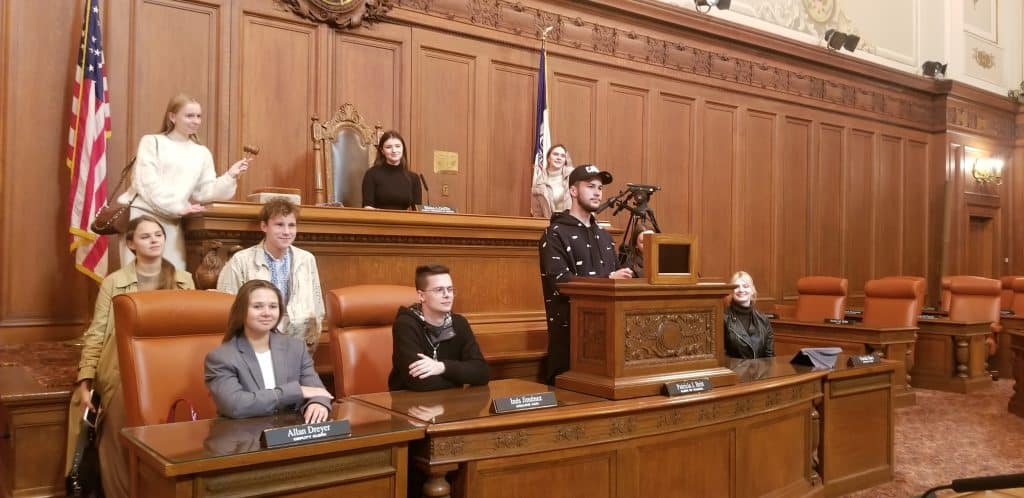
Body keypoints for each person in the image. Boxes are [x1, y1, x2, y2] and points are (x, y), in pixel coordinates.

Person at [66, 215, 195, 498]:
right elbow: (97, 332)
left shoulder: (184, 280)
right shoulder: (114, 282)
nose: (153, 240)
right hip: (123, 371)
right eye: (146, 236)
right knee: (118, 445)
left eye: (158, 235)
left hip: (168, 373)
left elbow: (190, 333)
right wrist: (85, 378)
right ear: (131, 244)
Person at [119, 93, 251, 269]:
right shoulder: (152, 142)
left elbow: (205, 192)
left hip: (173, 222)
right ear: (172, 116)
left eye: (198, 116)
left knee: (172, 278)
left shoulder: (201, 152)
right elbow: (145, 183)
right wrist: (178, 206)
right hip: (142, 217)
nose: (196, 121)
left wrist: (230, 176)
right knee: (137, 277)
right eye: (189, 115)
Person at [538, 164, 634, 384]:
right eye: (590, 186)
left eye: (600, 188)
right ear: (573, 191)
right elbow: (560, 282)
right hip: (571, 345)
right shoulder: (555, 234)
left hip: (608, 344)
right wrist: (608, 280)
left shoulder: (605, 237)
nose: (597, 192)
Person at [204, 280, 332, 423]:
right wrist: (294, 392)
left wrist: (318, 403)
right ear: (241, 311)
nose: (267, 313)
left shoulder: (296, 348)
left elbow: (317, 390)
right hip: (245, 438)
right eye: (257, 306)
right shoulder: (221, 357)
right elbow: (235, 405)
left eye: (273, 306)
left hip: (291, 434)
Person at [216, 198, 325, 354]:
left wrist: (312, 340)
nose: (287, 232)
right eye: (279, 225)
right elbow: (226, 308)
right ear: (264, 226)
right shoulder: (241, 260)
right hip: (254, 346)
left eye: (292, 225)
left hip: (299, 345)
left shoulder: (306, 259)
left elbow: (317, 305)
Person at [388, 264, 490, 391]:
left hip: (452, 404)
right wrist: (460, 377)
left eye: (450, 289)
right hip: (410, 405)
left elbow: (482, 372)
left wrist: (442, 367)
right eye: (439, 290)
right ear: (421, 296)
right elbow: (418, 381)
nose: (447, 295)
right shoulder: (406, 325)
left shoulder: (459, 323)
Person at [361, 130, 422, 210]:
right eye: (388, 147)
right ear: (382, 151)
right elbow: (367, 207)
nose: (394, 150)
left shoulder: (414, 178)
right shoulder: (371, 174)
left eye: (398, 146)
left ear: (403, 148)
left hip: (404, 221)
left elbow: (417, 211)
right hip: (378, 221)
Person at [724, 271, 775, 359]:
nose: (741, 290)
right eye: (736, 287)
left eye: (745, 286)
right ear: (731, 292)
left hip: (760, 372)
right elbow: (721, 357)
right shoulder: (723, 318)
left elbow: (769, 356)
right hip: (734, 371)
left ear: (752, 290)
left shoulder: (763, 319)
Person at [530, 144, 574, 218]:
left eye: (562, 156)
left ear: (565, 160)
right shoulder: (539, 183)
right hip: (550, 226)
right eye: (555, 154)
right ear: (548, 158)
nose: (559, 158)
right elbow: (537, 214)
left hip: (572, 224)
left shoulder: (574, 177)